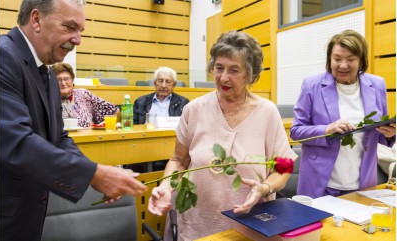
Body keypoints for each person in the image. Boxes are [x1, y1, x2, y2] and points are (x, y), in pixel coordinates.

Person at [0, 0, 147, 241]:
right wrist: (95, 174)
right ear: (36, 19)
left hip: (26, 214)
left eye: (80, 30)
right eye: (69, 27)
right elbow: (14, 142)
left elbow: (58, 138)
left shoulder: (46, 71)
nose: (77, 39)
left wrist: (95, 173)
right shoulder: (2, 57)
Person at [147, 31, 297, 240]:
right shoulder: (194, 109)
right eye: (219, 68)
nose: (224, 77)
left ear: (250, 74)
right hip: (197, 225)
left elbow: (284, 167)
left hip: (249, 225)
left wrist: (265, 188)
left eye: (234, 70)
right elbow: (178, 160)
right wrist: (166, 186)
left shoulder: (267, 112)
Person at [290, 30, 396, 199]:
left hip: (363, 183)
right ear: (329, 60)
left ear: (361, 61)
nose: (343, 65)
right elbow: (296, 132)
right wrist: (326, 130)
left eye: (351, 59)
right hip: (321, 183)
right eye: (337, 59)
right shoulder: (312, 85)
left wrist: (391, 135)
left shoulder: (376, 85)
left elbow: (380, 133)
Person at [51, 62, 120, 127]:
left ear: (72, 80)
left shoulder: (83, 94)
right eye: (58, 80)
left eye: (66, 79)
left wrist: (100, 125)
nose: (63, 83)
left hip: (88, 138)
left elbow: (114, 111)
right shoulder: (47, 99)